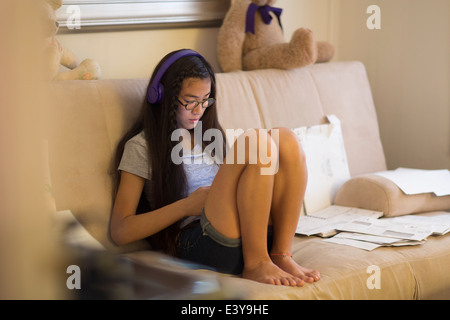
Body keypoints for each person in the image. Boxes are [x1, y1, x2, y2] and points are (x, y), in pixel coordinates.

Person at [110, 49, 320, 287]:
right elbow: (120, 230)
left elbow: (248, 182)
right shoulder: (141, 146)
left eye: (204, 100)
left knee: (285, 138)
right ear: (161, 95)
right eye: (189, 102)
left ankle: (280, 254)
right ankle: (256, 263)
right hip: (200, 241)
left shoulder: (210, 136)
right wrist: (186, 206)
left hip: (253, 234)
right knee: (256, 141)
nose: (199, 110)